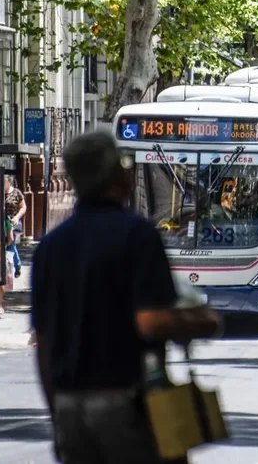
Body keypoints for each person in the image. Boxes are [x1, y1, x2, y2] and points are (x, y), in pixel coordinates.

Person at [31, 131, 222, 463]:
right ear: (114, 173)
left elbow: (43, 342)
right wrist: (204, 320)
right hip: (126, 405)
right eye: (125, 164)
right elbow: (151, 322)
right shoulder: (137, 235)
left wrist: (58, 416)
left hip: (70, 408)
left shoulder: (51, 246)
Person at [4, 175, 27, 279]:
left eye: (4, 182)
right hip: (2, 222)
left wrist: (17, 217)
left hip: (13, 222)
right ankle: (17, 266)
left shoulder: (16, 193)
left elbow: (23, 207)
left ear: (9, 182)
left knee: (10, 243)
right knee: (11, 245)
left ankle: (15, 267)